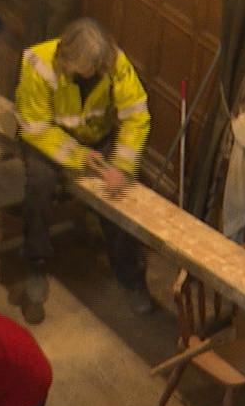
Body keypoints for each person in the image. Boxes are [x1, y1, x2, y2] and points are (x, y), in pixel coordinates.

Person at [14, 17, 153, 322]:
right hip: (48, 139)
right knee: (39, 186)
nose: (90, 72)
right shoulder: (38, 63)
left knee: (121, 197)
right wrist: (77, 156)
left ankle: (131, 277)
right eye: (83, 66)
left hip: (97, 138)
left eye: (94, 66)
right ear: (67, 56)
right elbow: (35, 127)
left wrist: (122, 166)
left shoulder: (116, 64)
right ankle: (36, 265)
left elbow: (136, 117)